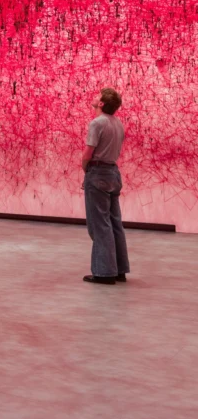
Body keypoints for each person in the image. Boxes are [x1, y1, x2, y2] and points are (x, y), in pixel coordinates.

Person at [81, 87, 129, 285]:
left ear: (101, 103)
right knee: (115, 222)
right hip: (113, 173)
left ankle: (104, 272)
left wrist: (86, 170)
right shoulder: (118, 123)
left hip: (98, 173)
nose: (94, 97)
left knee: (99, 225)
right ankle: (120, 270)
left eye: (97, 96)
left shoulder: (97, 123)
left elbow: (88, 153)